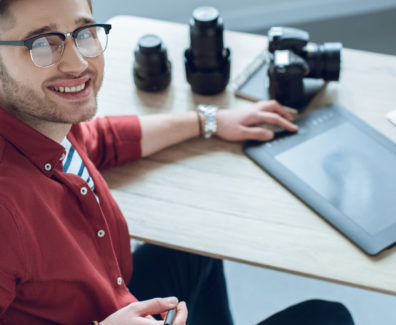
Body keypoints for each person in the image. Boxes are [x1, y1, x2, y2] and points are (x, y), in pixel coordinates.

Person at [0, 0, 355, 324]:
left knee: (197, 242)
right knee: (329, 317)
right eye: (42, 44)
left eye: (84, 33)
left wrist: (209, 121)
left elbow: (100, 140)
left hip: (118, 299)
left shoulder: (47, 121)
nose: (78, 63)